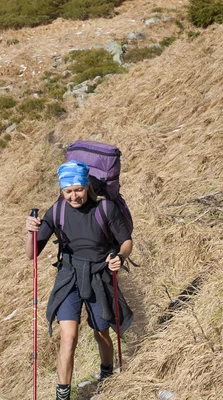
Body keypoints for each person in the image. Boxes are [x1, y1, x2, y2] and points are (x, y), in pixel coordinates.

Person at [25, 160, 133, 400]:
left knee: (102, 332)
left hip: (99, 275)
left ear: (87, 187)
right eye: (68, 191)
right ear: (62, 191)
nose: (73, 196)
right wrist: (30, 232)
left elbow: (126, 241)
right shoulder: (57, 211)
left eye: (78, 190)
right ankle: (62, 396)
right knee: (68, 337)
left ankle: (107, 377)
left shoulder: (106, 209)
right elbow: (32, 253)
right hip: (69, 277)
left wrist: (120, 257)